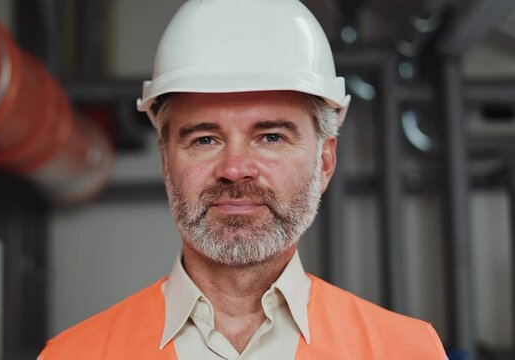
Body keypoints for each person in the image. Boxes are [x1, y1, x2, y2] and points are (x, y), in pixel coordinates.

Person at [39, 0, 447, 358]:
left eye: (270, 137)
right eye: (204, 139)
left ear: (324, 161)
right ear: (166, 163)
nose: (235, 168)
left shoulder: (407, 351)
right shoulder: (73, 355)